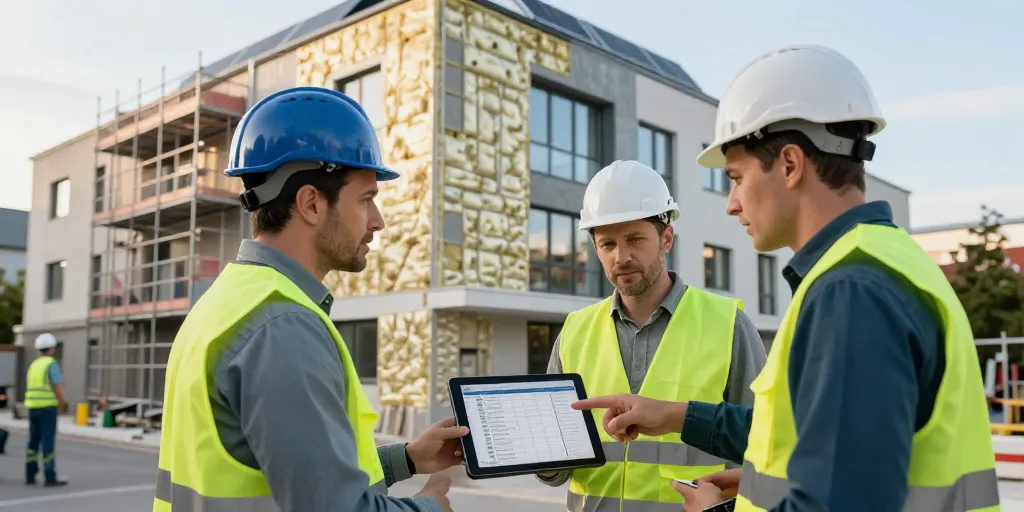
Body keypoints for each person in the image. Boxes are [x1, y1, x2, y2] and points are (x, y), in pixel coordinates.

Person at [571, 45, 999, 512]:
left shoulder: (850, 292)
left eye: (736, 177)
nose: (731, 203)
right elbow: (799, 432)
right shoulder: (886, 263)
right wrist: (676, 416)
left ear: (791, 165)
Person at [153, 86, 468, 512]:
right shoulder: (282, 328)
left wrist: (407, 458)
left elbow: (291, 472)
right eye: (366, 199)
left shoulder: (227, 304)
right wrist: (431, 508)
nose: (379, 221)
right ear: (311, 204)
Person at [536, 160, 767, 510]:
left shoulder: (729, 325)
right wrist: (539, 460)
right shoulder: (574, 331)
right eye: (607, 244)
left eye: (634, 239)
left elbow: (765, 442)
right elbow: (556, 463)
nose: (622, 256)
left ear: (666, 238)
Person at [24, 332, 69, 487]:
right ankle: (50, 475)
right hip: (47, 408)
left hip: (32, 408)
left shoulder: (33, 365)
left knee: (33, 442)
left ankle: (30, 474)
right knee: (47, 441)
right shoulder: (51, 364)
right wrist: (64, 402)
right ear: (51, 349)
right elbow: (57, 385)